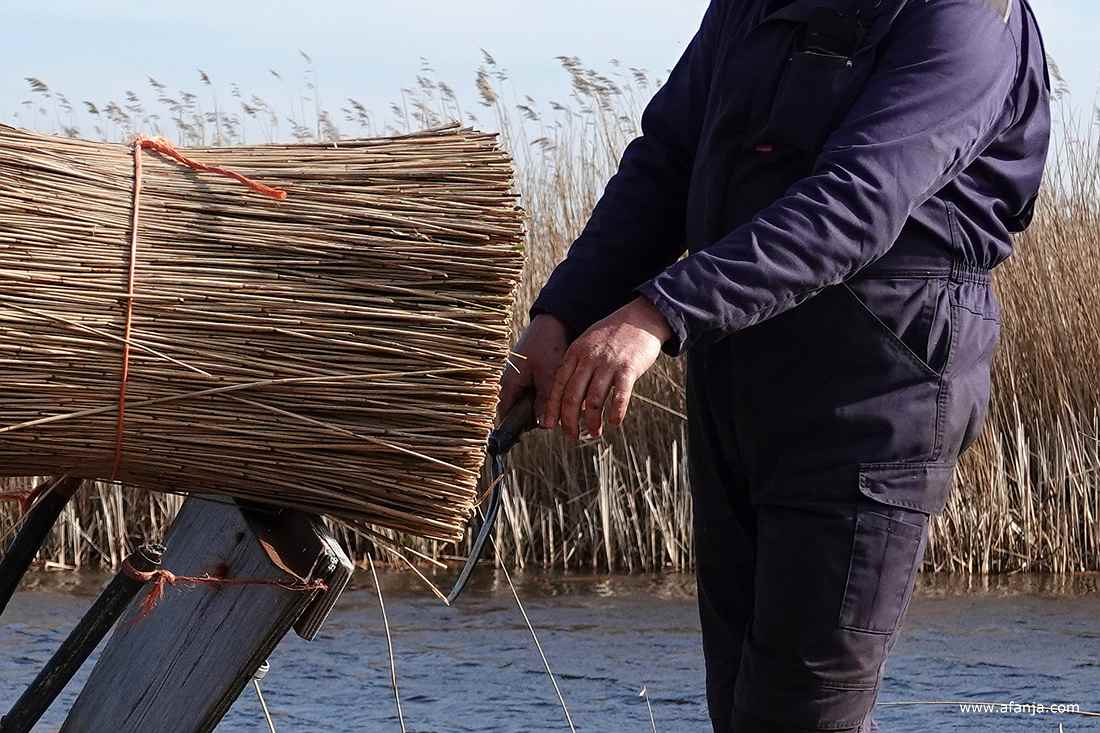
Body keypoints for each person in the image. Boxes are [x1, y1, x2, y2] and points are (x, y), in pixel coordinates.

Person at [498, 0, 1051, 730]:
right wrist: (559, 319)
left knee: (798, 715)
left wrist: (658, 313)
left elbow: (856, 200)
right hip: (738, 374)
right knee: (742, 708)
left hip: (876, 389)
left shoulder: (965, 14)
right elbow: (665, 162)